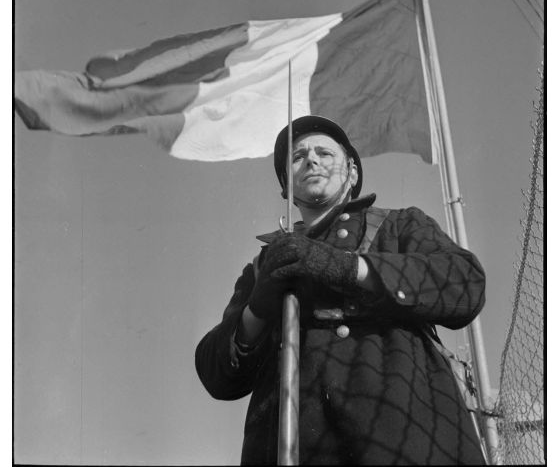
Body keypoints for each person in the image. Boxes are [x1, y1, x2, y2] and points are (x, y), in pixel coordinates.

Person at [195, 115, 486, 465]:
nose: (311, 160)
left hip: (404, 437)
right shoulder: (262, 266)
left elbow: (464, 283)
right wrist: (257, 308)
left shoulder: (399, 225)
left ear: (352, 173)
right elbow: (216, 375)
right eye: (298, 157)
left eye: (324, 153)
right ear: (286, 187)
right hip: (291, 445)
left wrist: (349, 268)